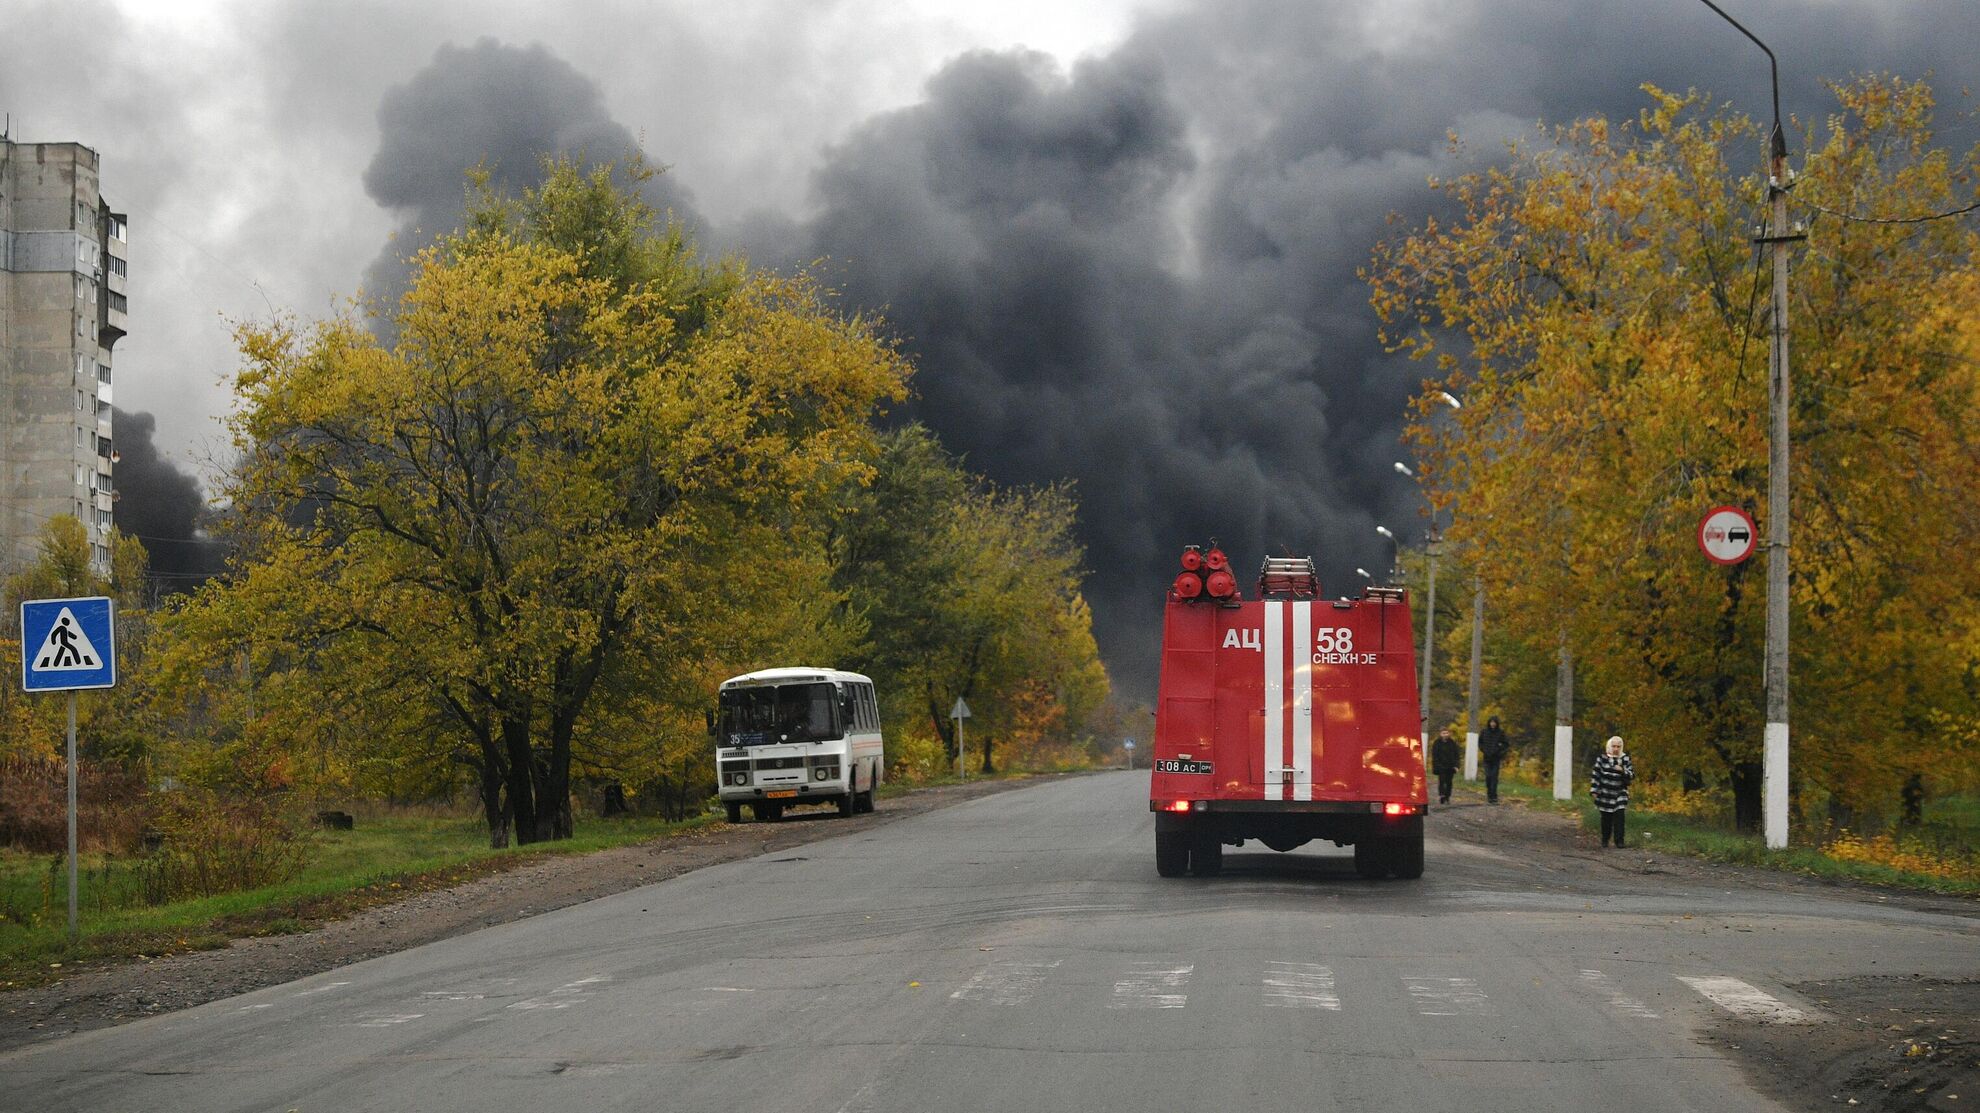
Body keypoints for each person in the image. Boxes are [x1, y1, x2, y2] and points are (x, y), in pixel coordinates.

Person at [1591, 735, 1635, 848]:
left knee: (1619, 816)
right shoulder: (1602, 758)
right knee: (1606, 818)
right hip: (1605, 792)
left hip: (1620, 792)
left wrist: (1623, 770)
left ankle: (1619, 841)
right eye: (1614, 746)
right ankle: (1605, 839)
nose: (1616, 749)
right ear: (1610, 746)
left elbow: (1632, 775)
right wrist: (1594, 790)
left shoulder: (1625, 758)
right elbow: (1596, 775)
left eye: (1618, 746)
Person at [1478, 716, 1510, 804]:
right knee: (1488, 776)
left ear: (1496, 723)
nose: (1493, 724)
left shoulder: (1500, 733)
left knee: (1494, 777)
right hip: (1487, 758)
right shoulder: (1484, 732)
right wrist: (1483, 749)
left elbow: (1506, 744)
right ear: (1489, 723)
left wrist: (1500, 751)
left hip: (1496, 759)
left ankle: (1494, 797)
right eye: (1491, 722)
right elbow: (1480, 742)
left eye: (1494, 722)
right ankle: (1489, 794)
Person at [1430, 727, 1460, 804]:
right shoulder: (1437, 743)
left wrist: (1456, 766)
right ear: (1440, 734)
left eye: (1446, 733)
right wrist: (1436, 765)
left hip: (1450, 766)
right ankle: (1442, 795)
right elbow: (1434, 755)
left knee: (1449, 782)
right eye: (1443, 733)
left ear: (1449, 734)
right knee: (1442, 781)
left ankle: (1447, 796)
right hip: (1441, 766)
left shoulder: (1452, 743)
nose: (1445, 735)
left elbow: (1456, 755)